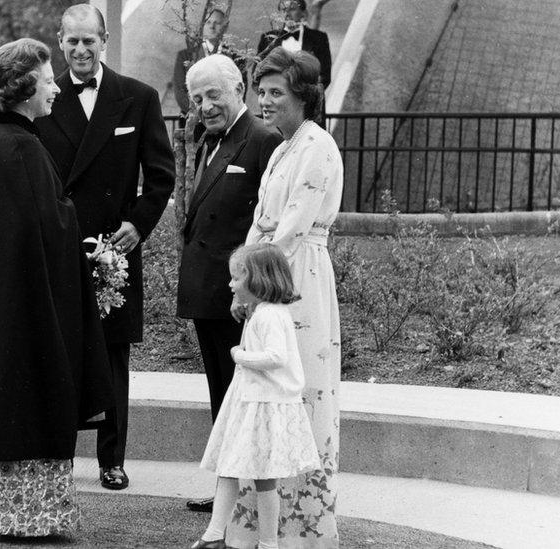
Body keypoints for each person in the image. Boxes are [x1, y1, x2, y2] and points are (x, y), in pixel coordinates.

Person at [0, 38, 114, 541]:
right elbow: (50, 230)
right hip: (28, 308)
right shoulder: (23, 149)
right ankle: (25, 517)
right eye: (47, 79)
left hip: (5, 302)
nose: (55, 87)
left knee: (3, 401)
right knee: (31, 401)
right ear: (25, 87)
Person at [34, 3, 176, 492]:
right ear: (59, 41)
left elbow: (160, 176)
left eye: (88, 41)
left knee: (113, 354)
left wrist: (138, 225)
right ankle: (56, 457)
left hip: (115, 247)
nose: (79, 50)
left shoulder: (137, 98)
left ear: (104, 40)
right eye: (71, 41)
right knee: (60, 348)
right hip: (61, 243)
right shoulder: (42, 99)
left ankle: (111, 459)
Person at [234, 46, 343, 545]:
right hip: (269, 278)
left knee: (298, 393)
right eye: (262, 91)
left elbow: (293, 229)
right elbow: (262, 221)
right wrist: (243, 281)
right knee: (267, 397)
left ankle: (303, 531)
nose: (265, 101)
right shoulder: (281, 148)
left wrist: (254, 286)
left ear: (304, 97)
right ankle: (262, 524)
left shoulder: (317, 147)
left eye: (276, 92)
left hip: (298, 281)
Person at [177, 53, 283, 513]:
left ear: (239, 88)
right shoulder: (209, 140)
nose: (204, 106)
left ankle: (238, 495)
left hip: (237, 293)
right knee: (222, 393)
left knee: (239, 396)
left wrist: (251, 293)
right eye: (197, 98)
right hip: (209, 290)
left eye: (213, 94)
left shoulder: (262, 140)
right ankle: (229, 490)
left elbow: (270, 226)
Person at [190, 243, 321, 549]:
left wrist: (239, 354)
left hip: (263, 405)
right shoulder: (261, 312)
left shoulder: (269, 316)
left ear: (255, 279)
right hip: (251, 400)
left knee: (260, 477)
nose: (230, 284)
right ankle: (216, 535)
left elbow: (276, 357)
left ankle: (264, 542)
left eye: (236, 278)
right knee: (231, 466)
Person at [256, 1, 331, 93]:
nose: (287, 14)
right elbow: (257, 74)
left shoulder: (319, 38)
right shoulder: (268, 39)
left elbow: (325, 76)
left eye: (292, 9)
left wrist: (305, 96)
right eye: (284, 10)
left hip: (309, 101)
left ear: (304, 13)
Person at [173, 8, 230, 114]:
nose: (211, 27)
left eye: (217, 23)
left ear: (225, 27)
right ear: (202, 25)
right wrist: (199, 112)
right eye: (208, 22)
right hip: (194, 118)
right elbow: (180, 91)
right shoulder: (186, 56)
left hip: (225, 117)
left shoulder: (234, 57)